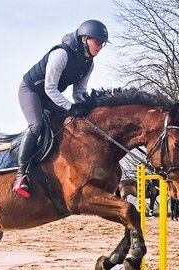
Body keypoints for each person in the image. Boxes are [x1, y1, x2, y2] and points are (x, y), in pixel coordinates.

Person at [13, 20, 110, 198]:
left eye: (102, 43)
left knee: (68, 125)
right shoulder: (61, 54)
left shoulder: (89, 63)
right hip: (32, 91)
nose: (100, 46)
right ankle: (21, 175)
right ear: (84, 39)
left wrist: (84, 109)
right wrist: (71, 107)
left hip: (52, 96)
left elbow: (79, 91)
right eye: (97, 42)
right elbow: (50, 88)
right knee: (36, 125)